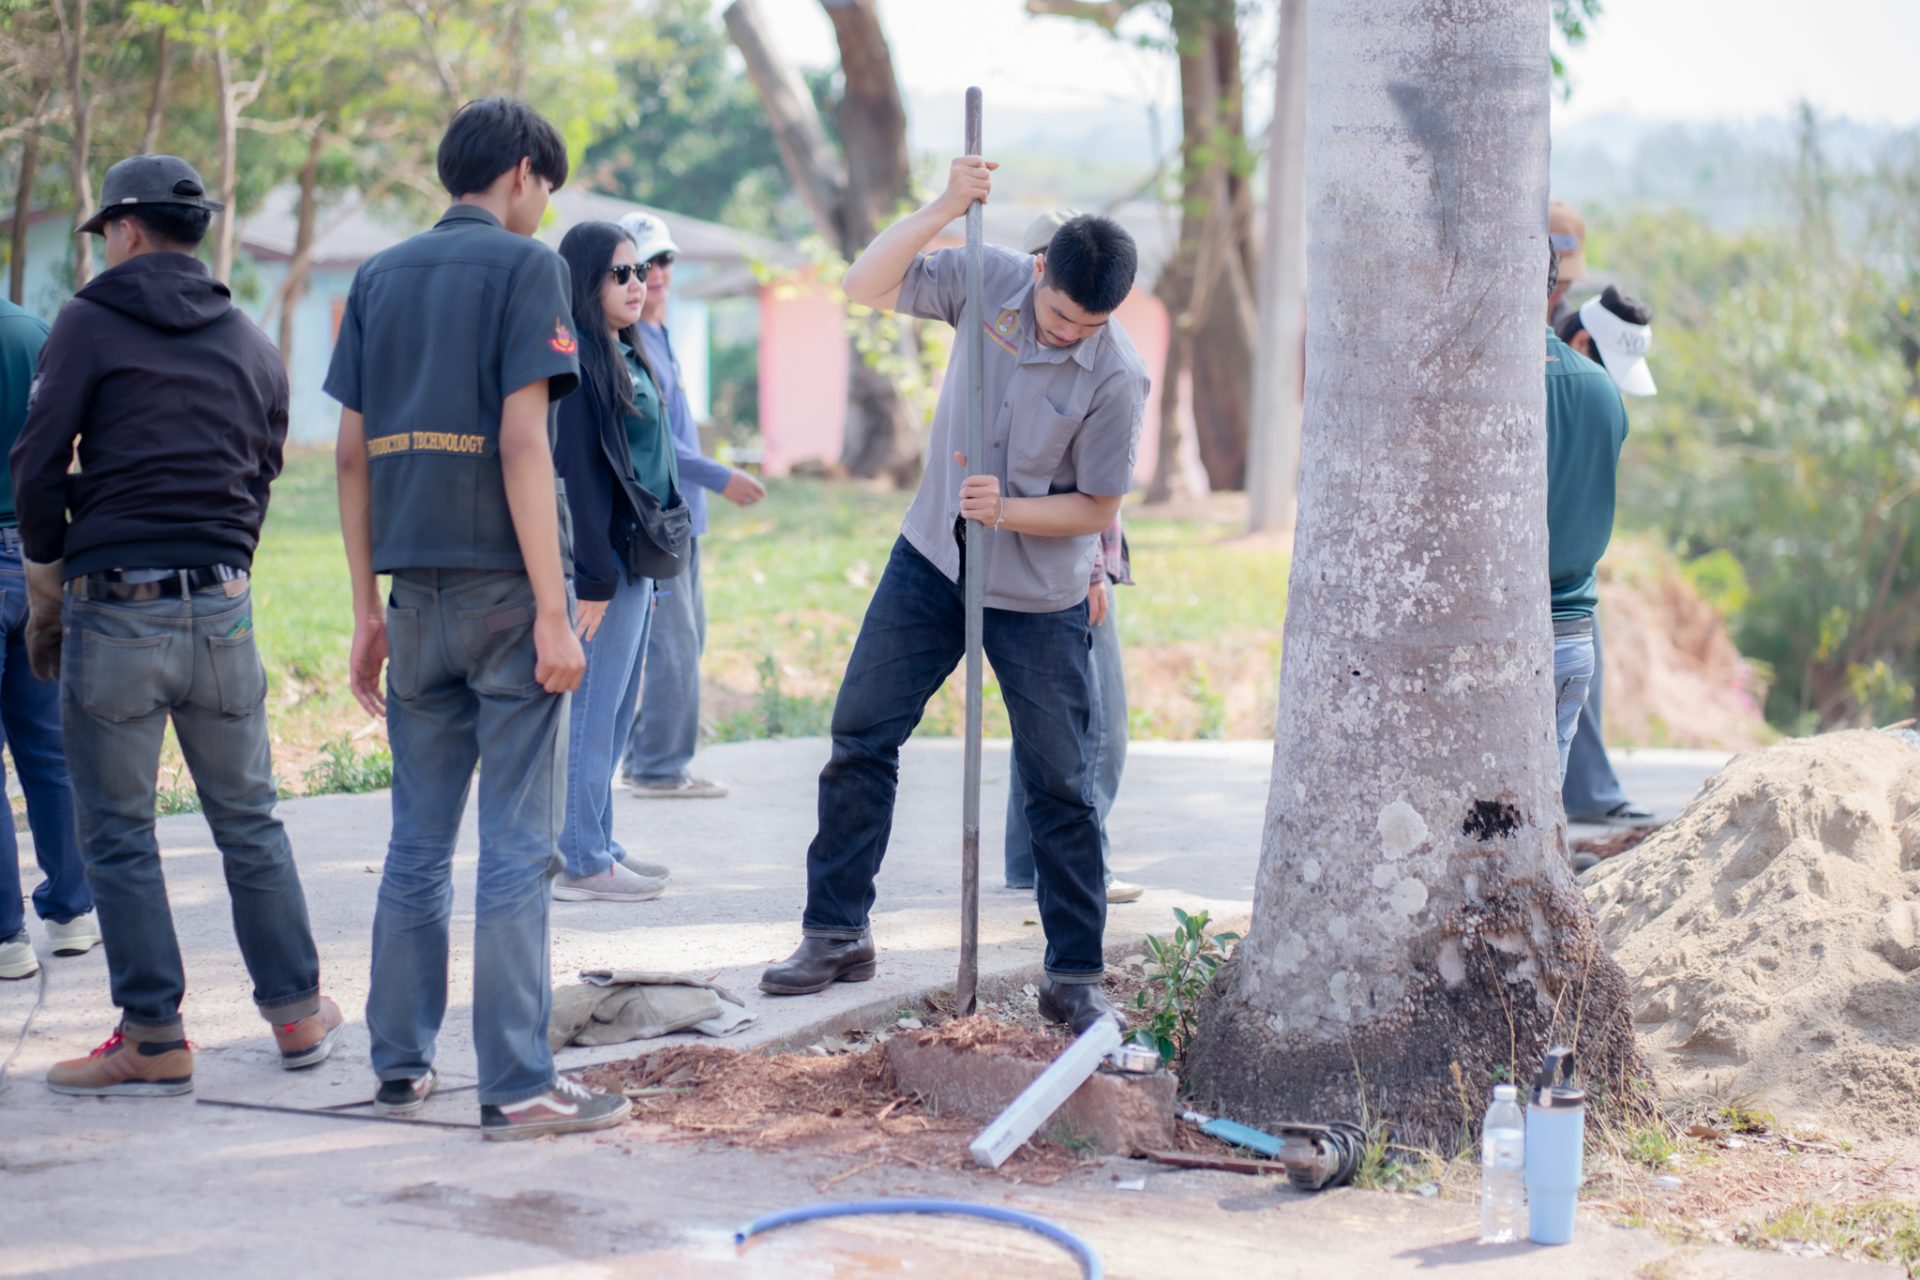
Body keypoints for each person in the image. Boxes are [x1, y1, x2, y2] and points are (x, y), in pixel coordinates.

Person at [759, 156, 1150, 1037]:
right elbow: (865, 284)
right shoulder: (990, 277)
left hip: (1038, 593)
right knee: (862, 732)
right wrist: (945, 205)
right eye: (1059, 315)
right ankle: (836, 932)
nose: (1067, 335)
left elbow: (1097, 508)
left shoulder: (1117, 376)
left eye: (1088, 326)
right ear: (1040, 268)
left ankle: (1073, 975)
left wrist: (1010, 509)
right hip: (933, 559)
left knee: (1061, 783)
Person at [325, 99, 629, 1139]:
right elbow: (522, 444)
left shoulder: (378, 276)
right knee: (514, 848)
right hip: (507, 597)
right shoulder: (525, 267)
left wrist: (364, 610)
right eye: (546, 186)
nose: (544, 206)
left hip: (412, 599)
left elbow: (350, 455)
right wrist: (554, 611)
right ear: (523, 171)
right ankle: (518, 1082)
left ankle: (400, 1066)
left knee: (416, 844)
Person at [13, 154, 339, 1095]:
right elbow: (262, 469)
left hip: (116, 606)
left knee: (119, 832)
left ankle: (154, 1035)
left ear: (124, 230)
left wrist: (53, 571)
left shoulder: (87, 322)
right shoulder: (250, 341)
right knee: (250, 821)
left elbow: (36, 463)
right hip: (224, 604)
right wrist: (225, 562)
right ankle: (297, 1015)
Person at [1003, 209, 1139, 906]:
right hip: (1065, 565)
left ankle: (1032, 866)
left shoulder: (1104, 358)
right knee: (1095, 728)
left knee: (1052, 726)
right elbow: (1064, 487)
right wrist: (1091, 572)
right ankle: (1079, 869)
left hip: (1080, 552)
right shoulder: (1020, 345)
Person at [550, 221, 681, 902]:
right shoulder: (576, 362)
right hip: (604, 564)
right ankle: (583, 859)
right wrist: (594, 578)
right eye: (620, 273)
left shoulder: (624, 351)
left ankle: (598, 836)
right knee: (593, 712)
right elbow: (580, 476)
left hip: (639, 556)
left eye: (640, 270)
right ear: (586, 282)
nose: (639, 283)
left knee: (618, 709)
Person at [617, 211, 764, 800]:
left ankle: (645, 758)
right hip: (656, 521)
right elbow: (655, 442)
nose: (653, 274)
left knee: (688, 639)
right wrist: (720, 475)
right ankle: (659, 769)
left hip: (683, 519)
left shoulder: (660, 333)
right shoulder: (629, 342)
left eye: (663, 261)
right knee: (673, 647)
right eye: (638, 266)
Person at [1550, 203, 1658, 827]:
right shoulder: (1552, 365)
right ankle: (1589, 789)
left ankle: (1588, 787)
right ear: (1583, 343)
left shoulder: (1584, 377)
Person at [0, 295, 99, 982]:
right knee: (48, 747)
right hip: (37, 556)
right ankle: (71, 913)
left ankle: (5, 938)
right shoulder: (34, 332)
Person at [1544, 246, 1630, 783]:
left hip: (1502, 634)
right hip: (1574, 635)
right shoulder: (1603, 392)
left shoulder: (1482, 387)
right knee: (1541, 807)